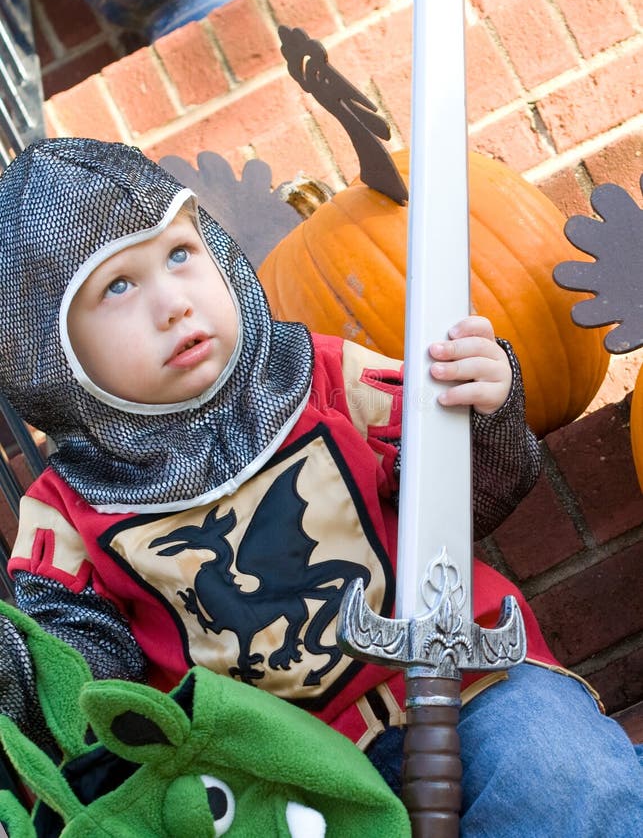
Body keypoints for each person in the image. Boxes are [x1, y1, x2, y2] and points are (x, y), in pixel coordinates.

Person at [0, 138, 640, 835]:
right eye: (117, 287)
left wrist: (485, 416)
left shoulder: (329, 379)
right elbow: (79, 679)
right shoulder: (67, 521)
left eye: (179, 254)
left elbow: (473, 498)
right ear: (48, 348)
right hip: (280, 780)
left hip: (465, 685)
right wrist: (17, 669)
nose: (173, 304)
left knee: (560, 779)